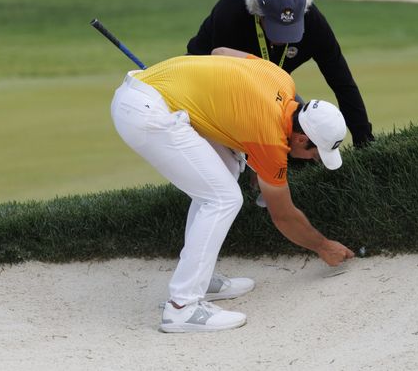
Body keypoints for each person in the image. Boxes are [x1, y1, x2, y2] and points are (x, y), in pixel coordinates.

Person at [110, 48, 355, 333]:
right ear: (301, 139)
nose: (312, 160)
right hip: (147, 113)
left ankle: (201, 278)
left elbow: (221, 52)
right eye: (315, 153)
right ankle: (182, 307)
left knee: (227, 170)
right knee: (223, 198)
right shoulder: (271, 139)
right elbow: (283, 215)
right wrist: (323, 246)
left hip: (148, 91)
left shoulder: (281, 79)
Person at [187, 0, 375, 148]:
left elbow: (341, 81)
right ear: (259, 13)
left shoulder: (314, 23)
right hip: (205, 79)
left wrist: (363, 139)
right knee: (238, 152)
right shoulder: (233, 9)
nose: (282, 39)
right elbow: (227, 86)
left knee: (303, 138)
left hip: (269, 85)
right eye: (275, 28)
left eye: (291, 29)